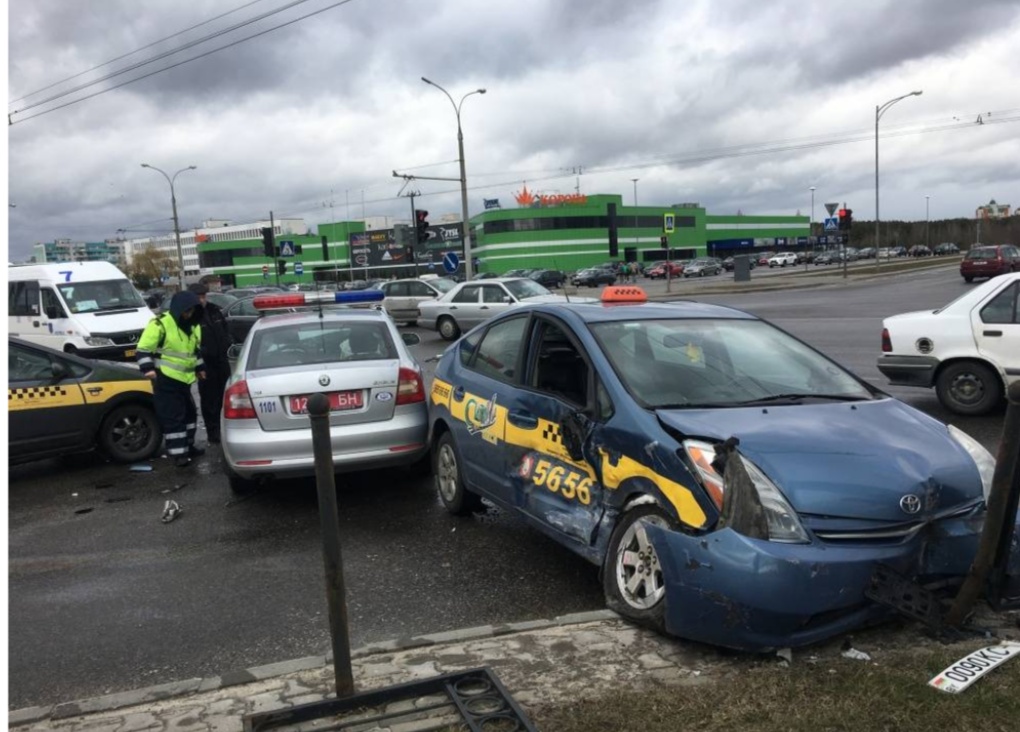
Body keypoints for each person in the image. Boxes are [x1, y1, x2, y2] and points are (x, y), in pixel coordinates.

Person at [136, 290, 206, 467]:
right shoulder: (160, 324)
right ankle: (178, 454)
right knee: (173, 418)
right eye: (187, 311)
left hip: (185, 379)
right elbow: (143, 349)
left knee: (190, 414)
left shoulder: (193, 326)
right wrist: (148, 369)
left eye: (192, 311)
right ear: (179, 309)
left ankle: (188, 446)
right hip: (165, 378)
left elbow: (193, 351)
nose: (189, 314)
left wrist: (200, 368)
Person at [188, 283, 233, 443]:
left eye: (203, 296)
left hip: (222, 362)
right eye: (198, 297)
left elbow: (225, 330)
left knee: (225, 398)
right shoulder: (191, 316)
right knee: (209, 401)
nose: (202, 300)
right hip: (205, 365)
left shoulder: (214, 311)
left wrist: (228, 342)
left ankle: (225, 430)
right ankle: (213, 433)